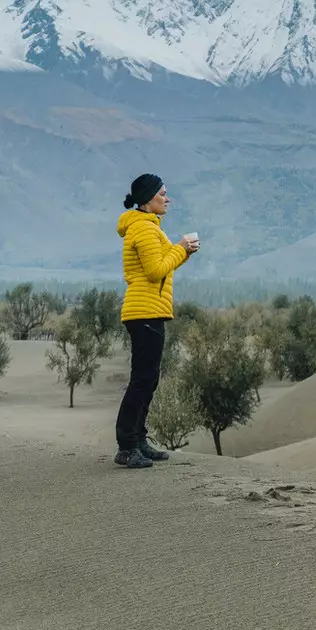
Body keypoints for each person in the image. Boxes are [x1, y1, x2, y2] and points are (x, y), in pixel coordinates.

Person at [112, 173, 199, 469]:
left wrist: (182, 252)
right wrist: (180, 248)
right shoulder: (145, 230)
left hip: (150, 310)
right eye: (162, 193)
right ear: (148, 200)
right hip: (145, 311)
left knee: (149, 379)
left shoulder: (147, 227)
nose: (167, 198)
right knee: (142, 380)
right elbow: (154, 271)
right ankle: (126, 446)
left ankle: (138, 440)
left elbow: (161, 267)